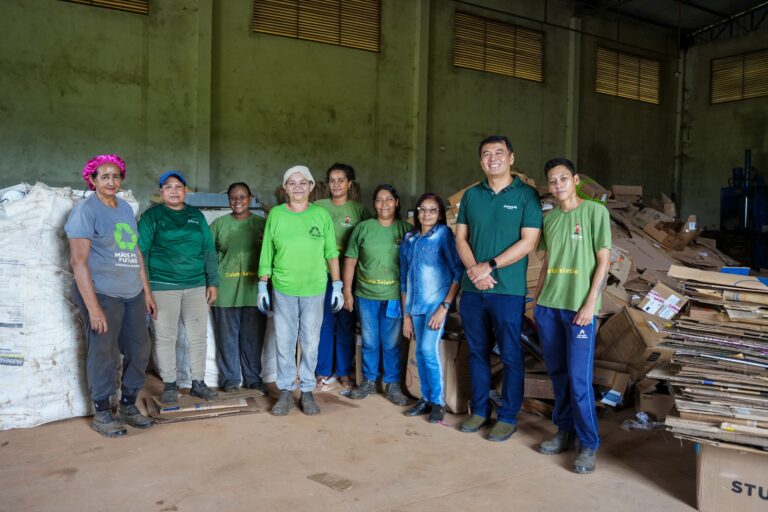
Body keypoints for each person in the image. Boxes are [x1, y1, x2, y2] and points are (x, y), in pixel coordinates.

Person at [455, 135, 542, 442]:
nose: (492, 158)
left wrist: (488, 266)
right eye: (486, 154)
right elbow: (460, 238)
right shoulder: (471, 196)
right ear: (481, 161)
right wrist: (474, 272)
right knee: (477, 352)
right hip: (473, 289)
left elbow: (529, 242)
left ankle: (507, 416)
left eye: (499, 153)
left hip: (508, 290)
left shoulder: (526, 195)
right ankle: (479, 411)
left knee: (510, 354)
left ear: (511, 158)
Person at [65, 154, 156, 437]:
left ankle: (128, 404)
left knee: (140, 349)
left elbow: (135, 252)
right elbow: (78, 262)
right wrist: (93, 308)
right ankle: (103, 412)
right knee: (103, 352)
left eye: (116, 176)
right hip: (102, 292)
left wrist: (147, 291)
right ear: (92, 180)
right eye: (104, 176)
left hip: (132, 293)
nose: (111, 181)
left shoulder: (126, 209)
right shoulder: (85, 210)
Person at [533, 158, 610, 474]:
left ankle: (588, 444)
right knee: (559, 376)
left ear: (575, 180)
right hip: (549, 308)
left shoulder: (595, 212)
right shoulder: (550, 220)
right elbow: (548, 261)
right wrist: (536, 303)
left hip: (579, 310)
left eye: (563, 178)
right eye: (552, 181)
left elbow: (604, 260)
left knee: (579, 379)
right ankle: (563, 431)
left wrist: (590, 304)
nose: (557, 185)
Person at [257, 165, 342, 416]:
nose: (297, 187)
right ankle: (285, 391)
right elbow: (267, 252)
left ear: (311, 187)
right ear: (284, 188)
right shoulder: (276, 215)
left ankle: (306, 391)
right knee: (284, 340)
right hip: (283, 288)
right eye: (291, 183)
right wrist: (263, 283)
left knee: (310, 341)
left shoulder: (321, 215)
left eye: (302, 182)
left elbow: (331, 253)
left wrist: (336, 285)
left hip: (315, 288)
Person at [138, 171, 219, 404]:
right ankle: (170, 384)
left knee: (198, 337)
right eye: (168, 187)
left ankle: (198, 383)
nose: (173, 191)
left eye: (178, 186)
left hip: (196, 285)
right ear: (161, 192)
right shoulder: (152, 217)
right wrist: (147, 290)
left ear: (185, 190)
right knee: (165, 336)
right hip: (163, 287)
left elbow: (208, 250)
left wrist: (212, 281)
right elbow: (141, 253)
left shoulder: (196, 216)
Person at [400, 193, 463, 423]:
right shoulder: (409, 238)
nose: (427, 214)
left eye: (433, 210)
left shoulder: (443, 235)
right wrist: (406, 315)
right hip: (414, 306)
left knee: (428, 350)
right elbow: (403, 276)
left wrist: (444, 307)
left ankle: (438, 401)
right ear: (417, 212)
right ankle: (425, 398)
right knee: (419, 351)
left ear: (439, 214)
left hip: (435, 306)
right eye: (422, 210)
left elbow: (458, 273)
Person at [345, 184, 410, 406]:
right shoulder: (363, 228)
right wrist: (346, 291)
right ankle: (369, 382)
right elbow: (351, 261)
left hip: (393, 297)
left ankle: (392, 384)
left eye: (389, 199)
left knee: (391, 343)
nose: (384, 204)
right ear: (374, 204)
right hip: (366, 295)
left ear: (397, 202)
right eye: (379, 199)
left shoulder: (406, 230)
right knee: (370, 341)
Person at [314, 163, 371, 390]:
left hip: (349, 277)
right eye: (332, 180)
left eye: (341, 180)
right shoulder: (318, 207)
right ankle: (323, 370)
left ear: (349, 183)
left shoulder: (360, 210)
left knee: (346, 323)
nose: (336, 184)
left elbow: (367, 242)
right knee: (325, 322)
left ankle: (345, 371)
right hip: (322, 274)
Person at [210, 182, 267, 394]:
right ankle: (230, 380)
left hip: (254, 291)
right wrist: (210, 284)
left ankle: (253, 379)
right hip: (225, 291)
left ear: (250, 198)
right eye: (233, 197)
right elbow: (208, 256)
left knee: (253, 339)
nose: (238, 201)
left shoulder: (262, 224)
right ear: (228, 200)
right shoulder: (218, 225)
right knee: (227, 339)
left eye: (242, 197)